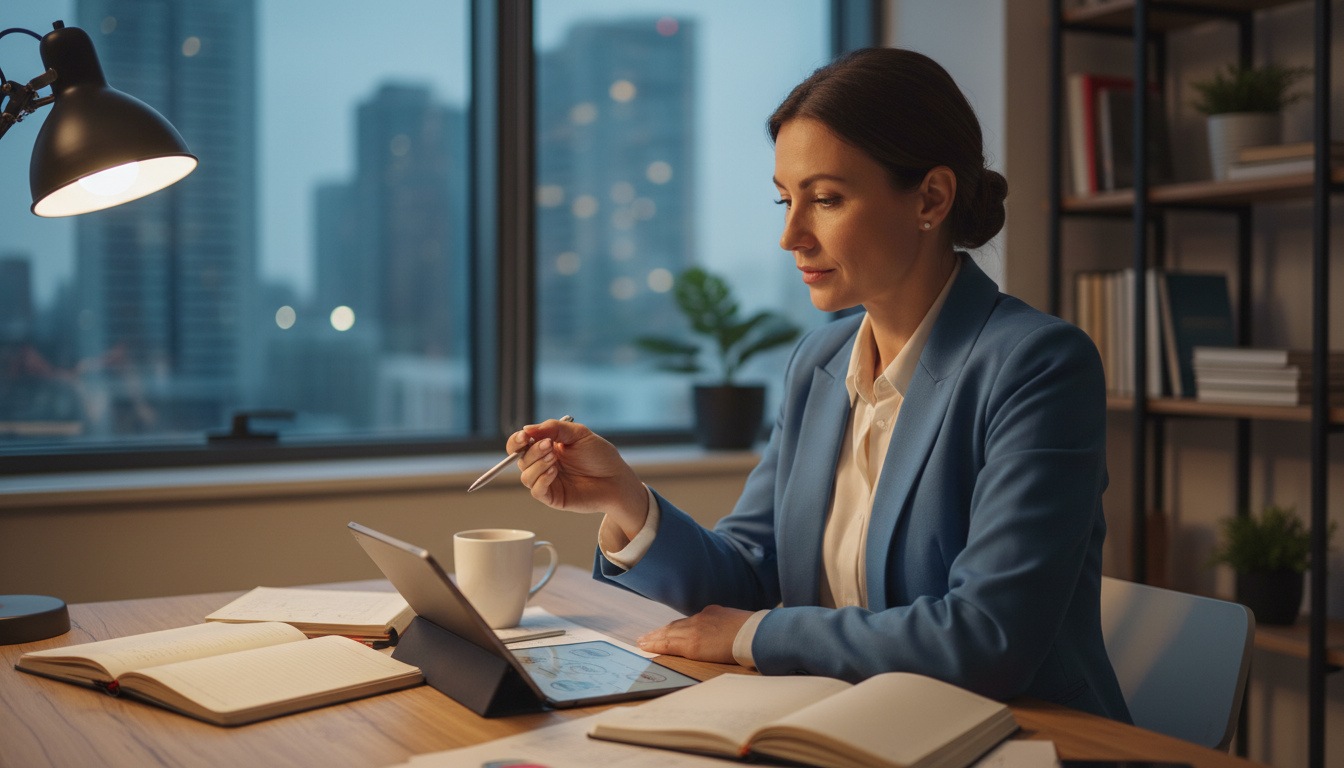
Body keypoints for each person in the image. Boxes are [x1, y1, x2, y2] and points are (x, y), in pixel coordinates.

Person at [508, 47, 1131, 723]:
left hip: (1014, 735)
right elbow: (748, 572)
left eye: (826, 199)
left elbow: (987, 637)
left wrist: (752, 636)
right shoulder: (819, 362)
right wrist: (626, 500)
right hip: (847, 722)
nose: (790, 235)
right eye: (785, 199)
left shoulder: (1038, 365)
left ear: (931, 197)